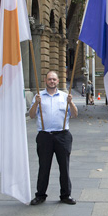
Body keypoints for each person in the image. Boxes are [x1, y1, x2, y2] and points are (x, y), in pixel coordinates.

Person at [29, 71, 78, 205]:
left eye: (54, 79)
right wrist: (35, 104)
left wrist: (71, 103)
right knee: (44, 166)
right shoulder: (39, 96)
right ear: (46, 81)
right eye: (50, 79)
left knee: (64, 166)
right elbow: (32, 115)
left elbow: (74, 115)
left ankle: (65, 195)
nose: (52, 81)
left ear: (58, 81)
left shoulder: (64, 96)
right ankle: (40, 195)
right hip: (45, 136)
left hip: (62, 135)